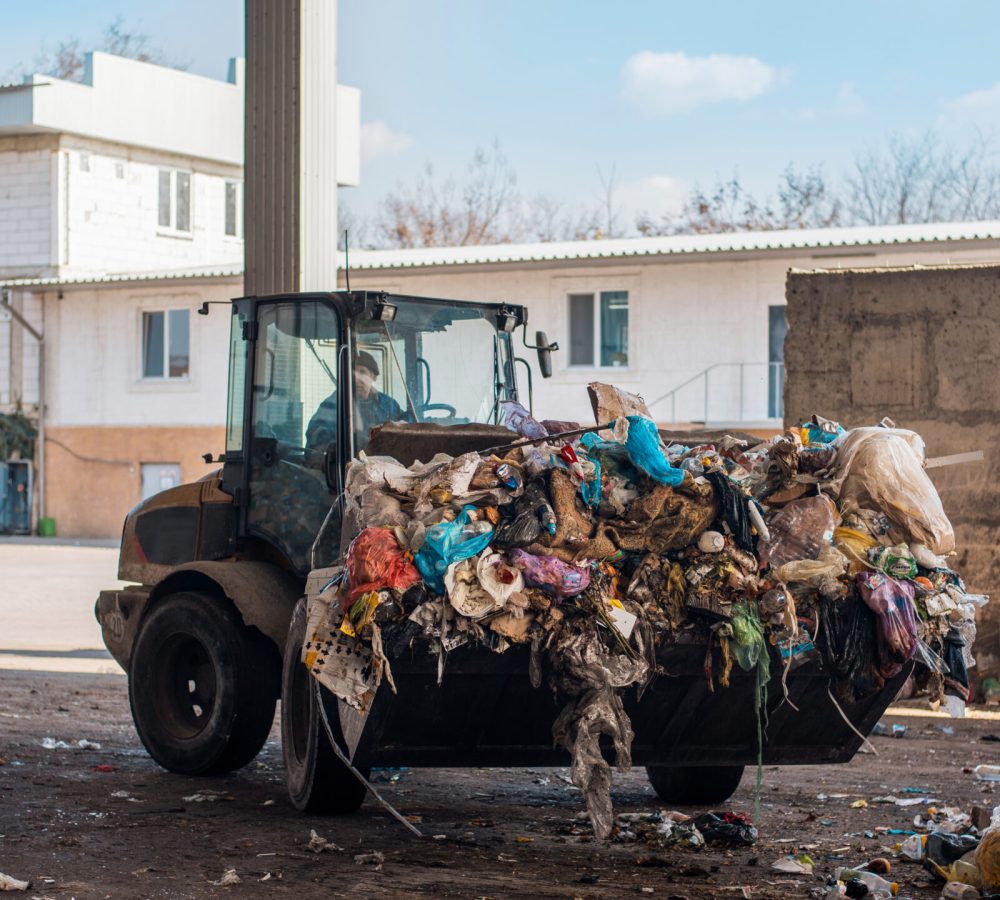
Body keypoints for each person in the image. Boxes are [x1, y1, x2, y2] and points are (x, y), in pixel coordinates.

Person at [305, 350, 405, 451]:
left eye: (362, 372)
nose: (356, 378)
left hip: (384, 464)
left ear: (373, 377)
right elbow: (315, 438)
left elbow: (408, 426)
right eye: (351, 373)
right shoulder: (333, 404)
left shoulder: (388, 404)